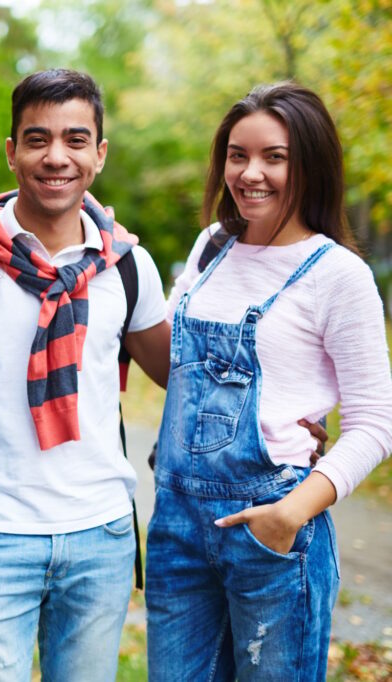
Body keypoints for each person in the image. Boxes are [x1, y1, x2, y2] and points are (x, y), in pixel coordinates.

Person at [145, 82, 392, 681]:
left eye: (273, 157)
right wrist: (109, 258)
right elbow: (173, 362)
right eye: (237, 154)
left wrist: (287, 516)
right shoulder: (212, 247)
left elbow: (376, 424)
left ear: (308, 163)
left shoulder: (338, 275)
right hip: (177, 525)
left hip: (273, 533)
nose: (249, 172)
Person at [0, 69, 172, 681]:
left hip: (100, 537)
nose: (56, 157)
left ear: (99, 154)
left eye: (76, 140)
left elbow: (185, 377)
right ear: (12, 152)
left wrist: (289, 414)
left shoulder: (127, 266)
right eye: (37, 139)